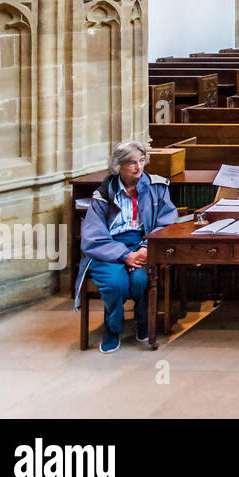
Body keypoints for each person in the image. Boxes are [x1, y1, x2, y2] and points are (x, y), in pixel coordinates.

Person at [74, 141, 179, 353]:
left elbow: (168, 222)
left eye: (141, 161)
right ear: (118, 165)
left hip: (142, 243)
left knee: (141, 280)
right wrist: (124, 255)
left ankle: (144, 323)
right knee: (115, 284)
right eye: (131, 163)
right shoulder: (103, 194)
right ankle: (112, 330)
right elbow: (93, 237)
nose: (138, 167)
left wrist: (145, 248)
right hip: (109, 248)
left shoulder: (156, 187)